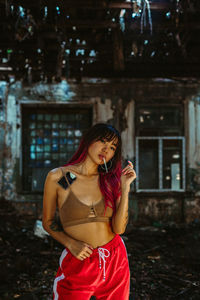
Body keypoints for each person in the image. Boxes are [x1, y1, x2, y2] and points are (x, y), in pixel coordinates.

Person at [42, 123, 136, 300]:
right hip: (80, 258)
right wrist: (70, 243)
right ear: (88, 141)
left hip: (115, 258)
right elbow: (47, 221)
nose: (106, 150)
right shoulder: (61, 177)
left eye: (112, 147)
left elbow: (119, 229)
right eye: (103, 142)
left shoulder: (110, 182)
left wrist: (125, 187)